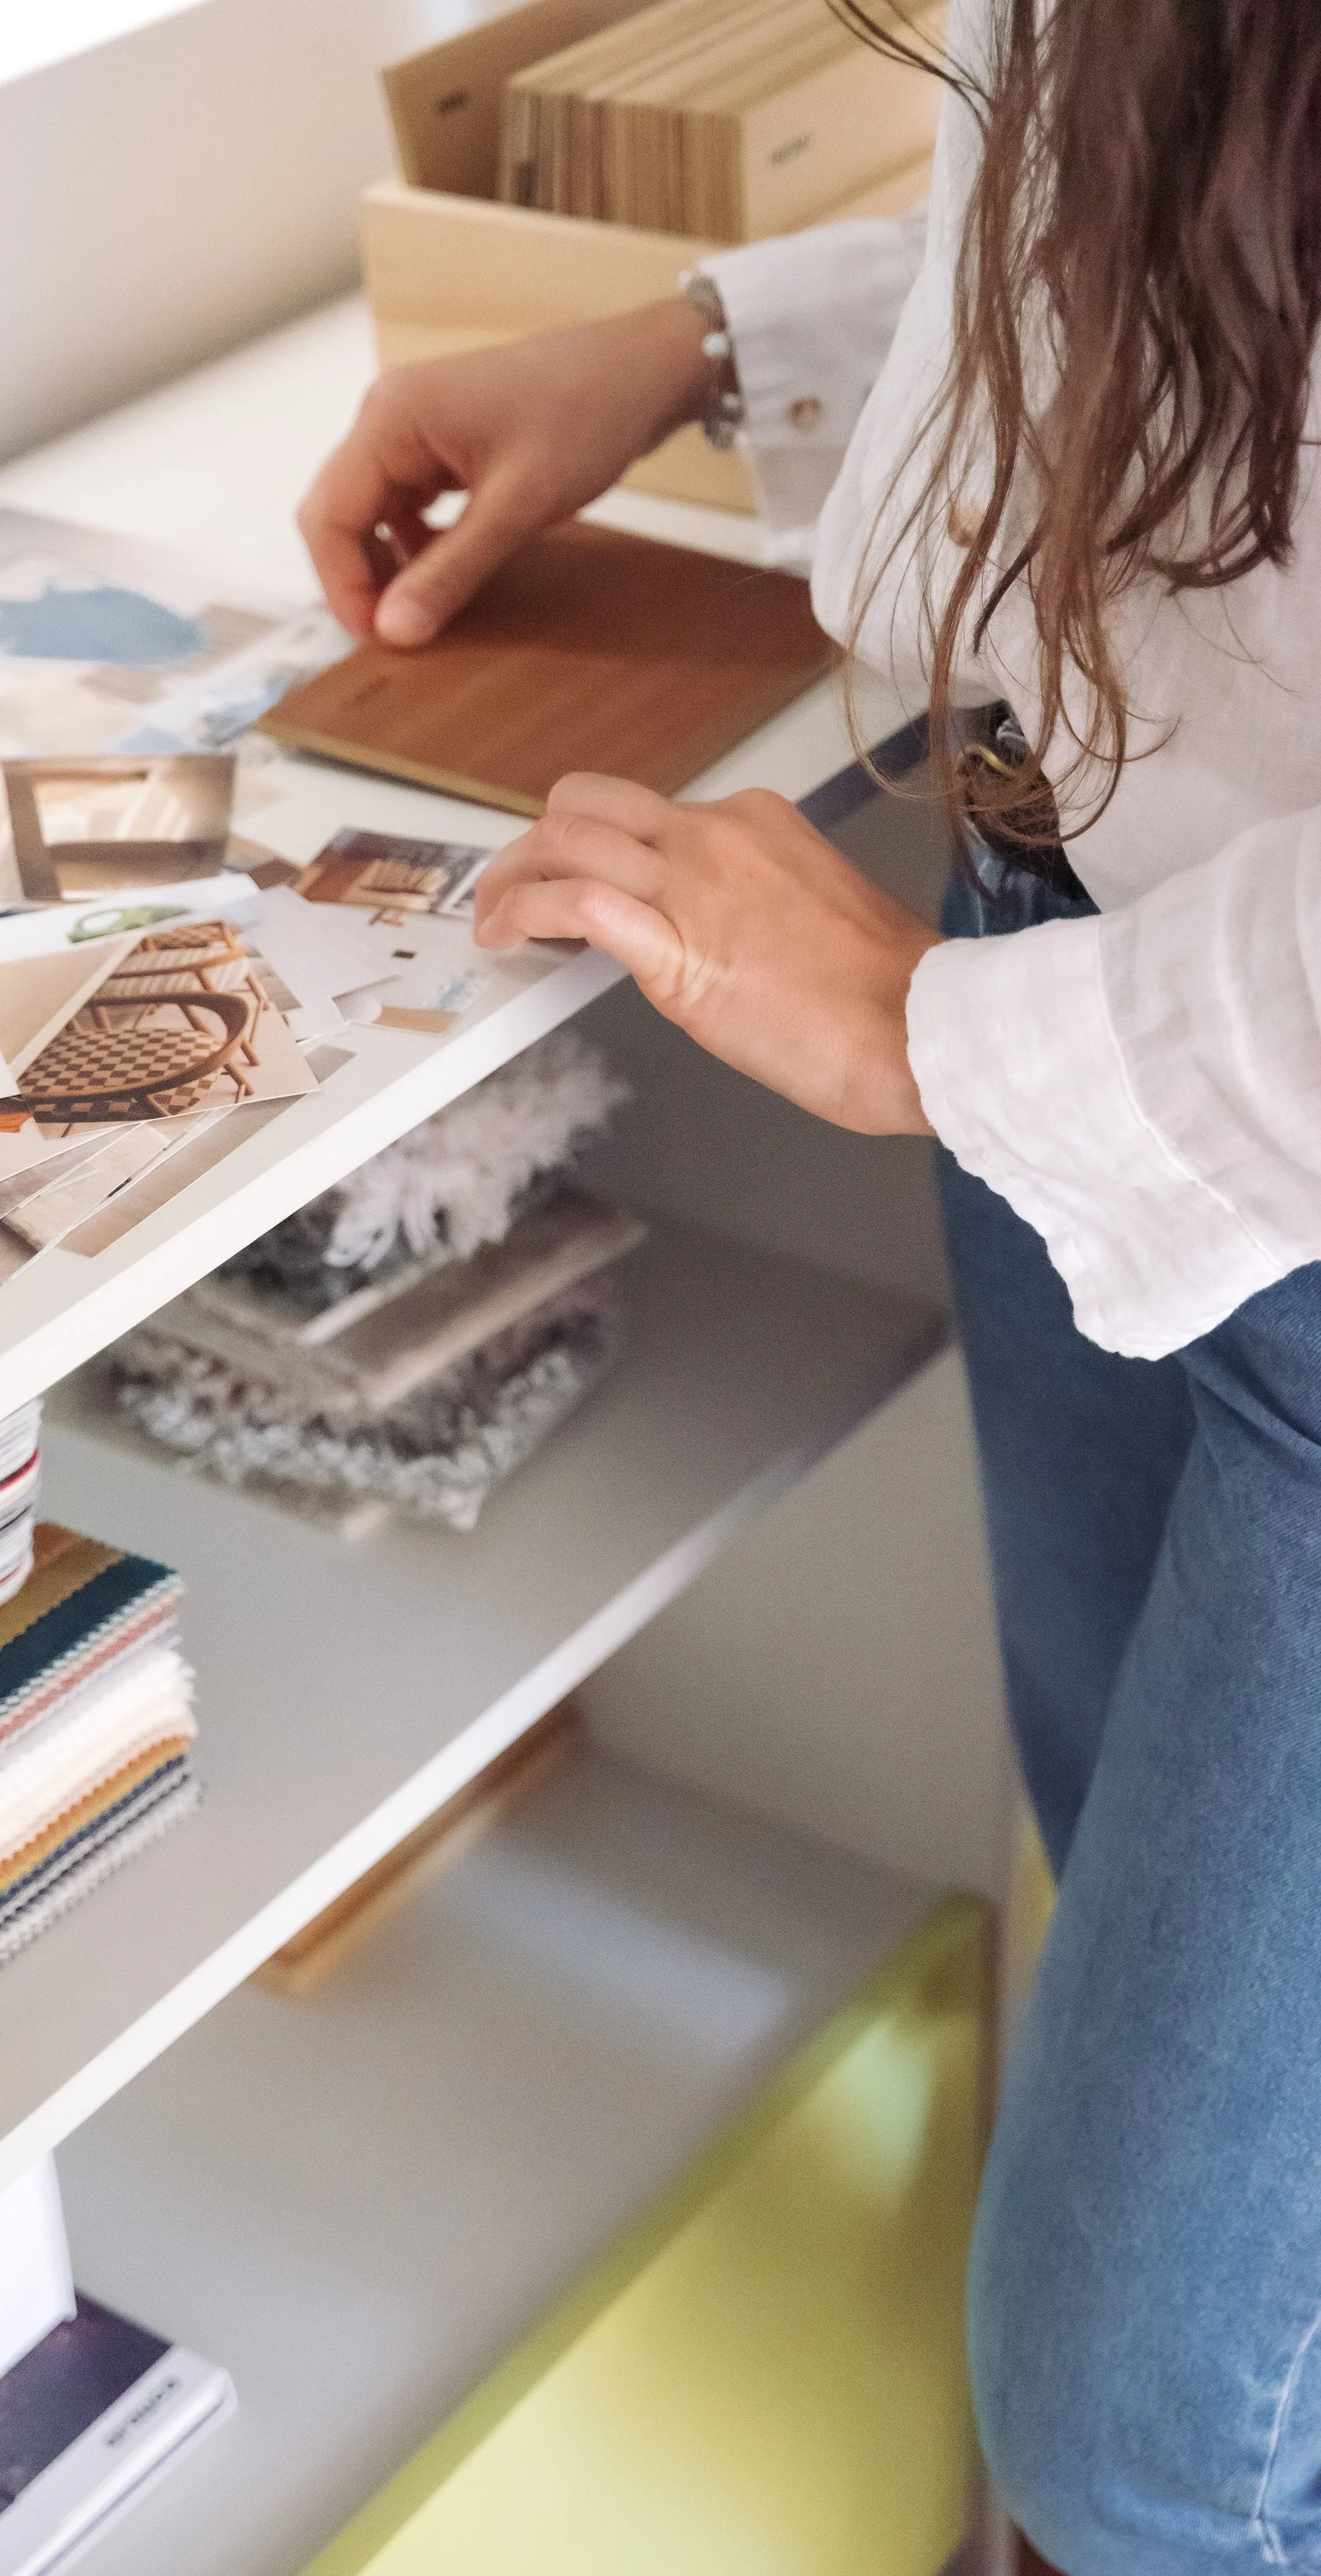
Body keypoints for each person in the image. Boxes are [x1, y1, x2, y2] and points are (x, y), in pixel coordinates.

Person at [297, 5, 1321, 2569]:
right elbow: (1173, 205)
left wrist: (934, 1034)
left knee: (1135, 2422)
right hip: (1052, 975)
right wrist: (698, 349)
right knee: (1154, 1944)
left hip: (1147, 1083)